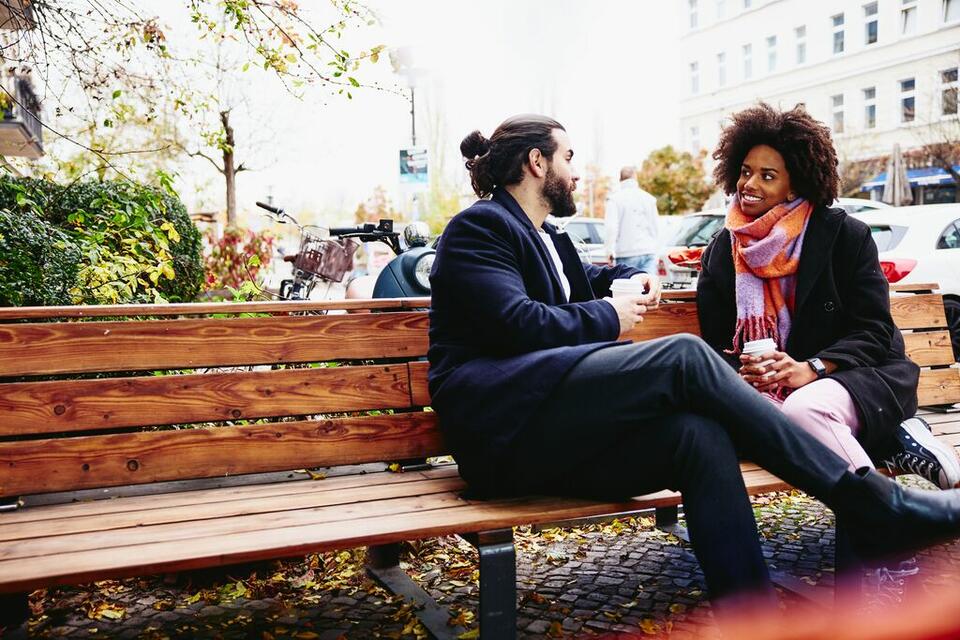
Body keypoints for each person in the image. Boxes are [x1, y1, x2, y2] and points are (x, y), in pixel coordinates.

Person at [428, 113, 960, 611]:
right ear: (537, 163)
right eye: (569, 157)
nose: (577, 170)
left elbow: (580, 286)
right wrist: (611, 315)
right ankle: (872, 504)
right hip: (502, 432)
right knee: (684, 356)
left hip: (556, 431)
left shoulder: (549, 236)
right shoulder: (480, 228)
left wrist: (623, 283)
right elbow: (518, 323)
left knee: (699, 438)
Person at [696, 102, 960, 492]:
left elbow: (873, 331)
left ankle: (885, 520)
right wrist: (749, 372)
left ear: (796, 183)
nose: (749, 185)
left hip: (858, 377)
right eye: (746, 171)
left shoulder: (843, 236)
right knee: (771, 416)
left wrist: (812, 368)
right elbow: (717, 342)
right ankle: (895, 441)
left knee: (805, 409)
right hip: (771, 390)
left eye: (768, 176)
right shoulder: (723, 250)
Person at [604, 166, 659, 273]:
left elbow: (611, 228)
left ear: (620, 179)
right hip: (648, 251)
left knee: (628, 288)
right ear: (635, 177)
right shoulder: (649, 198)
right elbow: (655, 227)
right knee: (649, 287)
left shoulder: (615, 199)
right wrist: (656, 249)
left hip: (626, 252)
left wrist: (609, 251)